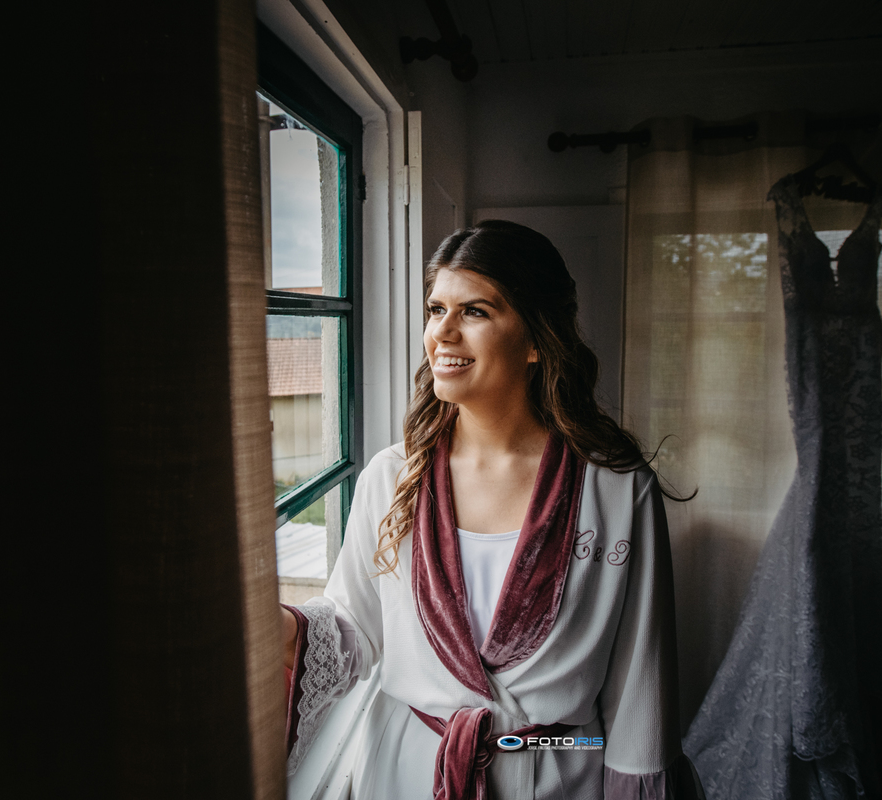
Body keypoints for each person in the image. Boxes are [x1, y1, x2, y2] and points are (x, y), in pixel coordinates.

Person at [279, 220, 704, 799]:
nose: (442, 333)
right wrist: (275, 627)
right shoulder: (392, 477)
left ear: (537, 340)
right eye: (436, 309)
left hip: (558, 772)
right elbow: (354, 626)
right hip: (408, 771)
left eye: (475, 311)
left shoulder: (617, 489)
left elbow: (641, 682)